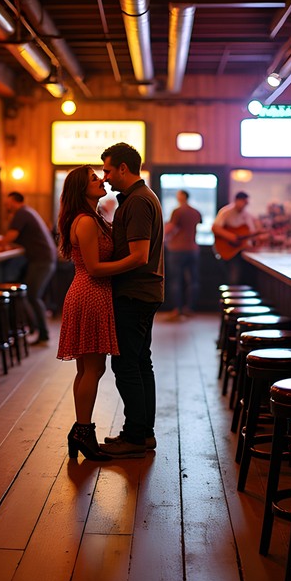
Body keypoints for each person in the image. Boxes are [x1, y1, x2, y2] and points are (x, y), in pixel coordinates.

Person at [56, 166, 144, 461]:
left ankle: (80, 430)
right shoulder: (86, 221)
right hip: (90, 293)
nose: (102, 180)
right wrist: (133, 262)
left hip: (89, 293)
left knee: (90, 369)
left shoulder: (91, 217)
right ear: (81, 189)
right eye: (95, 179)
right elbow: (93, 268)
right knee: (91, 370)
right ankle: (83, 431)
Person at [98, 142, 164, 459]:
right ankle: (141, 433)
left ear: (124, 168)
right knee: (140, 363)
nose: (106, 177)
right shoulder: (140, 198)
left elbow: (139, 256)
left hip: (135, 292)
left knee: (125, 364)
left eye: (108, 170)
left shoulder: (137, 202)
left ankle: (136, 436)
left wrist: (101, 270)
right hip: (144, 292)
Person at [0, 191, 57, 345]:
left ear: (14, 201)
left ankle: (42, 334)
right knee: (31, 295)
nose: (6, 205)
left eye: (7, 201)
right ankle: (35, 330)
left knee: (33, 295)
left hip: (42, 260)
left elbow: (10, 237)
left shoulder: (21, 213)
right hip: (43, 259)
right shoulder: (27, 212)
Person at [163, 189, 202, 319]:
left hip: (177, 249)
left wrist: (160, 235)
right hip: (193, 248)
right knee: (193, 280)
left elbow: (171, 228)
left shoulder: (178, 211)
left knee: (176, 280)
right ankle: (190, 308)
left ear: (182, 197)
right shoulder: (196, 212)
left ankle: (177, 309)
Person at [212, 191, 262, 285]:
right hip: (227, 249)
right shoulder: (226, 212)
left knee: (243, 278)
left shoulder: (247, 215)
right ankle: (231, 296)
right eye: (243, 202)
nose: (244, 205)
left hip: (240, 251)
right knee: (232, 278)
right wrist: (231, 236)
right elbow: (215, 228)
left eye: (246, 203)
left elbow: (249, 233)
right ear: (236, 200)